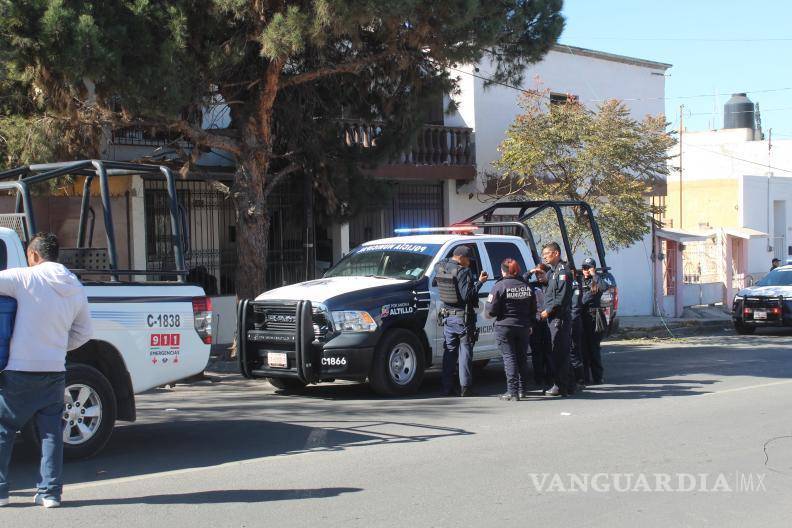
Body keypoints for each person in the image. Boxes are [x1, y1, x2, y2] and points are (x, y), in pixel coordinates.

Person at [0, 233, 92, 508]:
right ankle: (50, 493)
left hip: (20, 369)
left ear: (34, 255)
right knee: (51, 434)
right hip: (54, 370)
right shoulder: (74, 285)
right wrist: (59, 347)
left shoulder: (26, 278)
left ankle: (1, 491)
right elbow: (84, 332)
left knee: (4, 428)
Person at [436, 245, 488, 397]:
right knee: (465, 352)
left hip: (447, 317)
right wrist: (479, 282)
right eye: (468, 259)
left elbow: (443, 264)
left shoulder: (440, 267)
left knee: (449, 352)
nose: (469, 262)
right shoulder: (463, 272)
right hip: (462, 318)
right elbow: (467, 296)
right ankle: (465, 387)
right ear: (461, 257)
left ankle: (447, 387)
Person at [486, 259, 536, 401]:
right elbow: (533, 308)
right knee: (522, 358)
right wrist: (530, 323)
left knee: (509, 358)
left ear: (503, 271)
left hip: (505, 327)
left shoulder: (500, 286)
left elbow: (491, 310)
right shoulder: (526, 286)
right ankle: (522, 390)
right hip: (524, 326)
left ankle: (512, 391)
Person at [539, 242, 574, 397]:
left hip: (559, 317)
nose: (545, 256)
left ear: (556, 253)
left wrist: (548, 310)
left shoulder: (563, 271)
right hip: (553, 317)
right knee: (557, 351)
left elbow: (561, 297)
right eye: (544, 254)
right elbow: (551, 292)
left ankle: (560, 386)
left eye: (547, 253)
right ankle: (568, 385)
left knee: (559, 352)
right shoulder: (552, 272)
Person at [580, 257, 610, 385]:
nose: (586, 270)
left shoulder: (597, 281)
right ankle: (585, 377)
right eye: (584, 268)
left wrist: (594, 275)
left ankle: (598, 377)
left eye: (588, 267)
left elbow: (604, 287)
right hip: (582, 317)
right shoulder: (579, 280)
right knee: (583, 349)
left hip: (593, 318)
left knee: (594, 349)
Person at [527, 265, 552, 390]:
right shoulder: (532, 286)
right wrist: (530, 272)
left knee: (548, 351)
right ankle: (538, 378)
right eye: (538, 275)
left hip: (549, 321)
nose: (539, 277)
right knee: (536, 351)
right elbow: (521, 281)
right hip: (535, 322)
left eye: (542, 274)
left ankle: (550, 378)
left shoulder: (552, 284)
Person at [569, 266, 586, 390]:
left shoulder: (574, 285)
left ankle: (580, 380)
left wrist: (570, 322)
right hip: (571, 321)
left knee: (574, 351)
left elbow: (575, 307)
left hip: (573, 322)